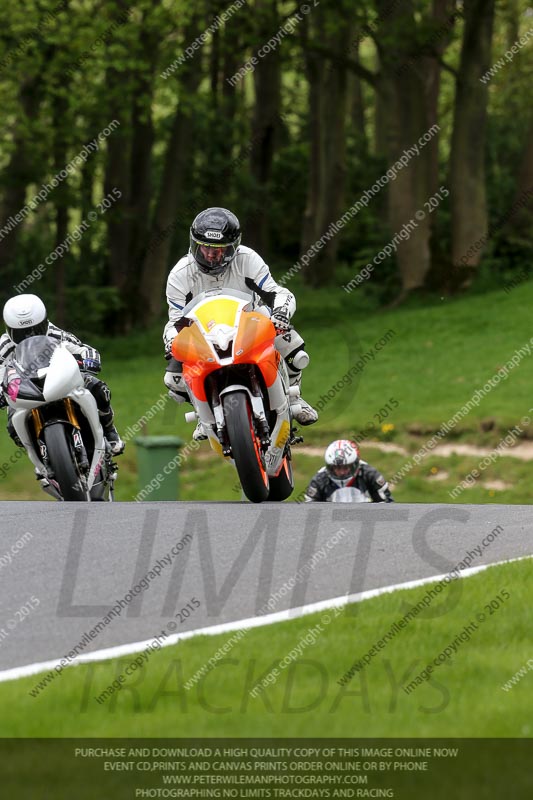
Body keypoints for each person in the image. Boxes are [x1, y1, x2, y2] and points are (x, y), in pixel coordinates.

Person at [163, 207, 318, 440]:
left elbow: (276, 292)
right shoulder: (179, 274)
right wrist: (172, 341)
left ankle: (294, 398)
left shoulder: (247, 258)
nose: (211, 255)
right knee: (173, 379)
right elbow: (175, 321)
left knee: (294, 347)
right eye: (205, 247)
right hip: (203, 334)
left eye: (219, 249)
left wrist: (281, 313)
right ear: (194, 244)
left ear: (233, 247)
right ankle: (203, 413)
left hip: (251, 322)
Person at [0, 294, 125, 456]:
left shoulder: (56, 333)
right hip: (25, 390)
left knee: (98, 389)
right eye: (21, 333)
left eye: (36, 330)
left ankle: (109, 430)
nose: (30, 336)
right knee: (12, 427)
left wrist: (90, 359)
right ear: (9, 330)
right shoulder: (4, 346)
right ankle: (41, 455)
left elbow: (82, 348)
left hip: (60, 381)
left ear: (45, 322)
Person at [304, 439, 394, 502]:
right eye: (337, 468)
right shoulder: (319, 480)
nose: (342, 472)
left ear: (355, 464)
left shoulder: (370, 475)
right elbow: (309, 509)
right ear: (330, 467)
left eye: (346, 467)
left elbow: (387, 504)